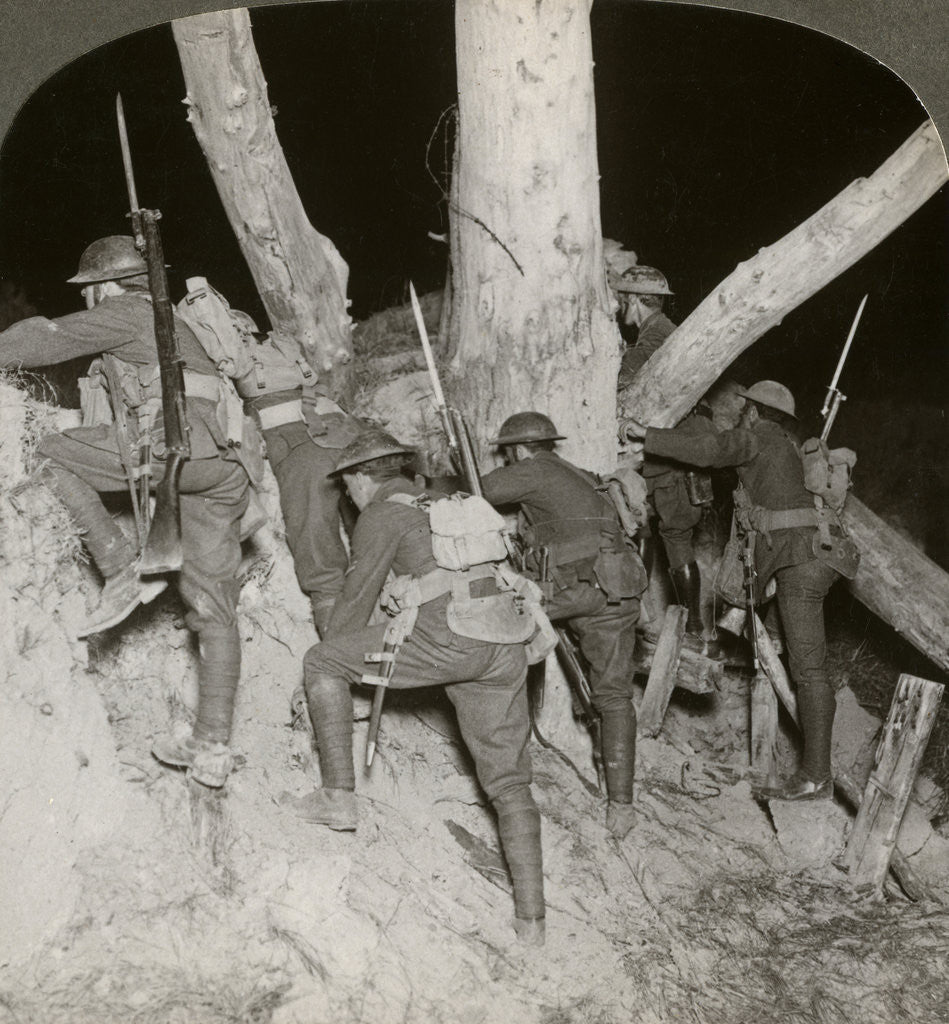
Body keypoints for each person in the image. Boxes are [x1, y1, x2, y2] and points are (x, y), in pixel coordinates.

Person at [0, 236, 251, 787]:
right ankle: (211, 746)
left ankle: (118, 568)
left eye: (89, 290)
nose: (90, 299)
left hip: (170, 452)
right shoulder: (171, 327)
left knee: (41, 451)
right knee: (213, 610)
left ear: (104, 286)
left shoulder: (126, 311)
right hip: (222, 466)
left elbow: (46, 339)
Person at [282, 428, 546, 946]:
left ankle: (338, 795)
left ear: (362, 478)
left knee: (321, 662)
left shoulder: (381, 514)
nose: (349, 498)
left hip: (450, 637)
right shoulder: (443, 500)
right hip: (505, 637)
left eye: (348, 486)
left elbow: (352, 609)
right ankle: (532, 923)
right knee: (510, 783)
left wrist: (335, 654)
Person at [621, 381, 858, 801]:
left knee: (809, 671)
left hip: (801, 564)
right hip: (811, 559)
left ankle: (815, 777)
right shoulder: (784, 448)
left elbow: (712, 450)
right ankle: (811, 762)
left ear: (754, 411)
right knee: (793, 653)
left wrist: (649, 436)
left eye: (745, 409)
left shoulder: (759, 438)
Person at [479, 412, 647, 839]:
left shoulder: (532, 470)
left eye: (508, 452)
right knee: (614, 695)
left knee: (496, 624)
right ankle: (622, 807)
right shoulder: (580, 474)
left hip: (582, 589)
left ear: (517, 449)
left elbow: (480, 490)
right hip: (618, 585)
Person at [612, 265, 676, 390]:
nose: (617, 306)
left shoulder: (657, 331)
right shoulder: (660, 325)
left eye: (620, 300)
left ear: (631, 298)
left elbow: (627, 372)